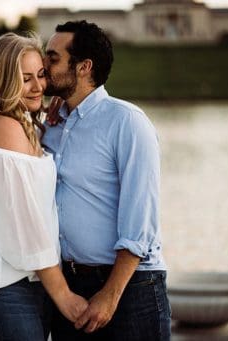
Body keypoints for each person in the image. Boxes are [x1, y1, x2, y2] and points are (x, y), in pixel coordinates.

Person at [0, 32, 88, 341]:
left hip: (27, 289)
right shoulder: (5, 128)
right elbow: (30, 227)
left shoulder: (24, 126)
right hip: (4, 290)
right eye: (24, 79)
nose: (38, 86)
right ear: (4, 81)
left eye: (40, 75)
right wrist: (64, 296)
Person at [41, 21, 169, 340]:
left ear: (84, 67)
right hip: (68, 288)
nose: (44, 66)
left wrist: (110, 295)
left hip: (130, 288)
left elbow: (141, 221)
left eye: (53, 58)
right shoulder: (51, 125)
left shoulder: (127, 122)